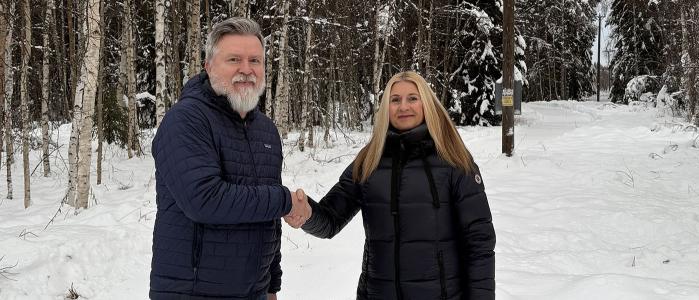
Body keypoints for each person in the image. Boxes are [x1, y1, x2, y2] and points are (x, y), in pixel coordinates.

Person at [287, 71, 496, 299]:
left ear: (426, 103)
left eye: (412, 98)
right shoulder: (369, 161)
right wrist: (306, 213)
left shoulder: (453, 159)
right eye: (395, 100)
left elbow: (479, 242)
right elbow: (329, 219)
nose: (403, 106)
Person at [150, 17, 310, 300]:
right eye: (234, 59)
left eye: (255, 61)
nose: (246, 70)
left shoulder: (266, 130)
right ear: (208, 66)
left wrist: (272, 284)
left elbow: (267, 216)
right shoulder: (186, 121)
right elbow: (204, 200)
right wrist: (285, 201)